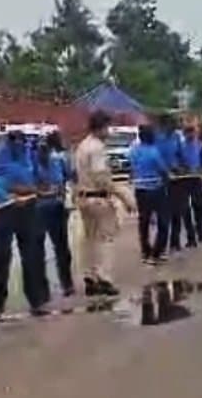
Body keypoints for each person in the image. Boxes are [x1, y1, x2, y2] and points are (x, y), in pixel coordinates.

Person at [0, 130, 49, 317]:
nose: (20, 145)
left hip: (28, 209)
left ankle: (36, 302)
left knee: (32, 256)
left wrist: (40, 186)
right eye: (16, 141)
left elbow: (39, 178)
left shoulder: (29, 155)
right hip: (5, 209)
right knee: (1, 257)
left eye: (23, 141)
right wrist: (25, 189)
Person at [73, 111, 133, 298]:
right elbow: (101, 177)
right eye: (108, 127)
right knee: (105, 239)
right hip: (98, 198)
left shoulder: (82, 146)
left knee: (89, 239)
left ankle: (89, 276)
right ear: (101, 127)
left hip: (84, 197)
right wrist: (123, 197)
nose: (109, 131)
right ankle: (103, 277)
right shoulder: (97, 148)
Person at [34, 132, 75, 298]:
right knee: (37, 251)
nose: (43, 151)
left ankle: (67, 283)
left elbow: (71, 177)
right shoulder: (33, 166)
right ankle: (41, 290)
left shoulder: (58, 161)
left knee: (62, 248)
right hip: (39, 210)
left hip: (57, 208)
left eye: (45, 148)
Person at [129, 125, 171, 265]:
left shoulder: (133, 151)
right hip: (156, 189)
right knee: (163, 221)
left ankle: (145, 251)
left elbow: (132, 167)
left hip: (140, 190)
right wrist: (167, 179)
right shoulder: (154, 152)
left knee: (144, 221)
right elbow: (163, 170)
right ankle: (157, 252)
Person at [157, 117, 194, 252]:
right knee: (164, 213)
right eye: (170, 125)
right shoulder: (157, 139)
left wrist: (184, 167)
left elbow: (182, 156)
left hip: (176, 178)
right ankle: (161, 244)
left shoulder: (177, 138)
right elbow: (157, 158)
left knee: (177, 212)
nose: (172, 128)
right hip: (161, 179)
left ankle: (175, 242)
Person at [182, 126, 202, 243]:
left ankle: (201, 232)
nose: (190, 135)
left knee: (199, 206)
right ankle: (191, 237)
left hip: (197, 178)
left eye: (191, 133)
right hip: (184, 178)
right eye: (187, 133)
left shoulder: (200, 146)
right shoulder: (181, 146)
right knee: (185, 209)